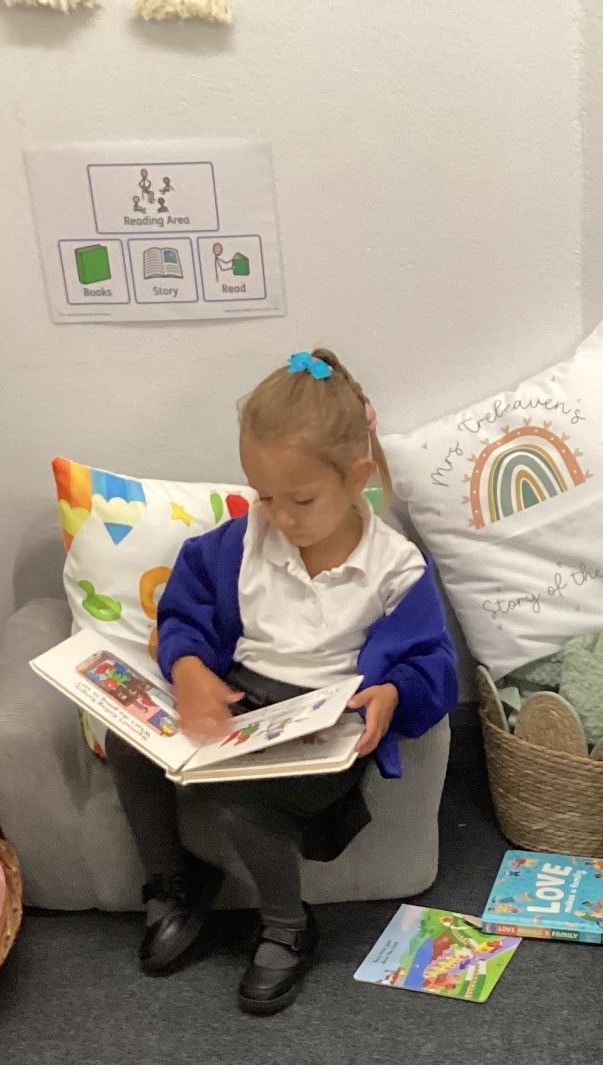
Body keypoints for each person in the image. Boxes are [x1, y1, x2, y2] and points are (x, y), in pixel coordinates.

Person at [106, 348, 457, 1015]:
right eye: (264, 495)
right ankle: (175, 881)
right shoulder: (238, 543)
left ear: (355, 477)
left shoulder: (395, 568)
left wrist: (394, 694)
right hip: (242, 694)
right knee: (127, 745)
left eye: (301, 499)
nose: (281, 516)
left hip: (323, 721)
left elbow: (430, 664)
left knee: (247, 803)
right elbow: (183, 613)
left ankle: (289, 926)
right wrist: (189, 672)